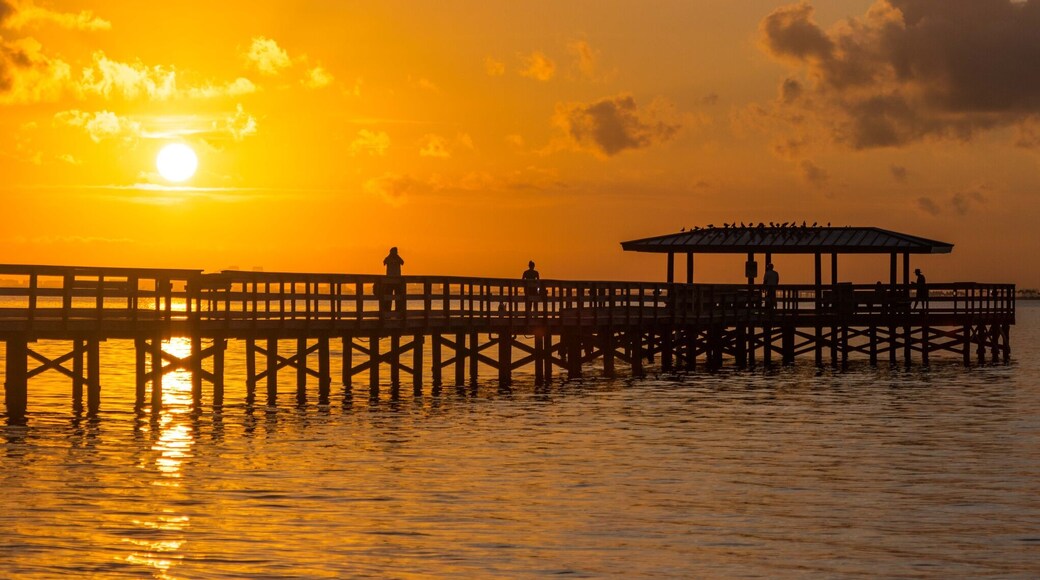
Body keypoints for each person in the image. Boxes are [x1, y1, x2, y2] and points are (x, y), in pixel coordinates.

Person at [381, 247, 405, 314]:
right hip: (392, 280)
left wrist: (395, 256)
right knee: (391, 296)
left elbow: (402, 262)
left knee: (395, 296)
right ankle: (391, 310)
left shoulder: (392, 258)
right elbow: (384, 262)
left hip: (394, 280)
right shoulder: (390, 258)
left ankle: (392, 310)